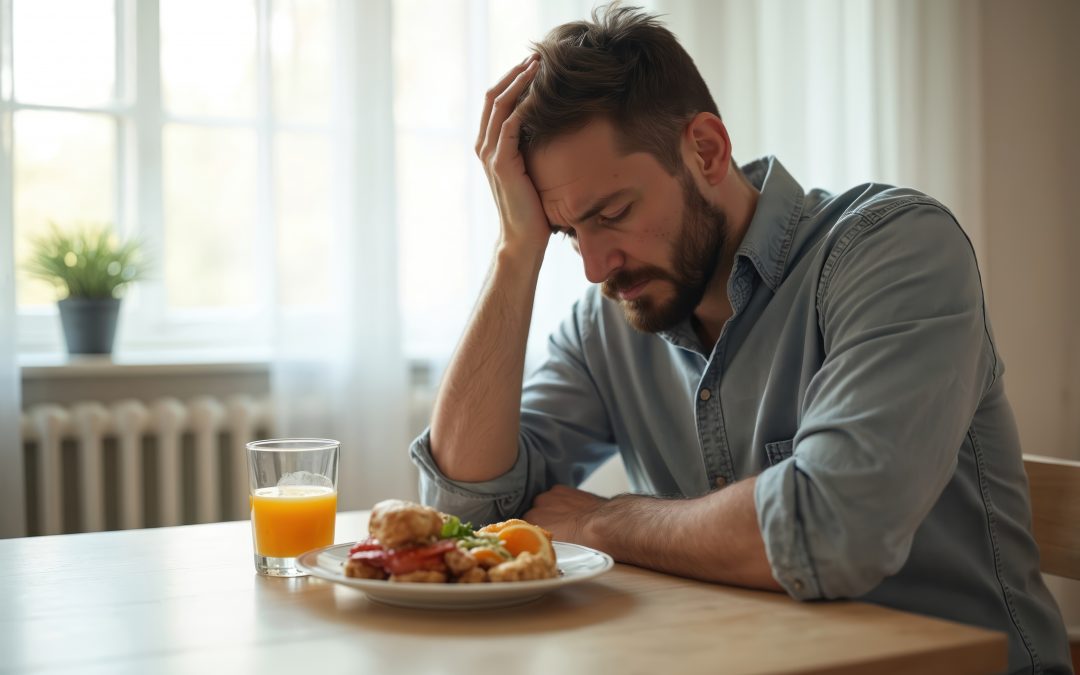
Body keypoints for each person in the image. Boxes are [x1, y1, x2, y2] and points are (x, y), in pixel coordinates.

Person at [408, 5, 1070, 673]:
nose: (594, 265)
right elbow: (465, 506)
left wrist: (602, 521)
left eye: (612, 214)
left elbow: (832, 531)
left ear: (706, 150)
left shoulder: (893, 250)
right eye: (568, 233)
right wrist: (515, 250)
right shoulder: (608, 320)